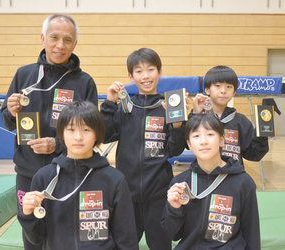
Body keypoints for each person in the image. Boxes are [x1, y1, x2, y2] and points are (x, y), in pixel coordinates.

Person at [1, 14, 98, 249]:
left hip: (69, 172)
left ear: (75, 44)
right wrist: (11, 111)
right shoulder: (23, 75)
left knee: (67, 232)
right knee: (32, 233)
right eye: (54, 37)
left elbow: (92, 131)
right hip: (28, 173)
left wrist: (58, 144)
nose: (60, 45)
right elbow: (7, 121)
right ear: (43, 38)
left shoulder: (84, 82)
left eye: (67, 39)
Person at [17, 101, 139, 250]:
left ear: (97, 134)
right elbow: (37, 238)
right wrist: (27, 215)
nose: (78, 137)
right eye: (71, 129)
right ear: (62, 133)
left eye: (86, 129)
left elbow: (126, 238)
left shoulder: (115, 180)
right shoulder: (43, 178)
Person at [100, 48, 187, 250]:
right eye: (138, 71)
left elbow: (175, 150)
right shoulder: (124, 106)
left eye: (151, 69)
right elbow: (105, 136)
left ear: (160, 72)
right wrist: (109, 103)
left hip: (158, 193)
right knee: (123, 244)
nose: (145, 76)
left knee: (160, 245)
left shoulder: (169, 106)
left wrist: (177, 124)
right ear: (130, 76)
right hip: (126, 194)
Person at [161, 114, 260, 249]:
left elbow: (251, 234)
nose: (203, 141)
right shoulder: (180, 183)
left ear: (221, 140)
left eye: (210, 134)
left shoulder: (243, 182)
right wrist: (174, 209)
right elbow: (173, 234)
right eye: (196, 136)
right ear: (189, 144)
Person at [190, 65, 268, 166]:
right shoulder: (198, 117)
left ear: (234, 92)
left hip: (234, 178)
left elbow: (253, 154)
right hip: (206, 177)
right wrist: (195, 114)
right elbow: (185, 144)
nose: (223, 91)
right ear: (207, 90)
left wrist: (262, 135)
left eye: (229, 87)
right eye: (218, 86)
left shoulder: (241, 121)